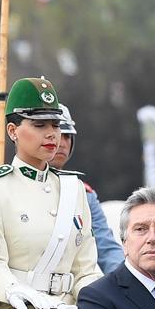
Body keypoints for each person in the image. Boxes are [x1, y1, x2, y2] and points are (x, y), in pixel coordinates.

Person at [0, 77, 100, 309]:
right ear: (12, 131)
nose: (52, 134)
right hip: (18, 308)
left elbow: (86, 269)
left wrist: (96, 304)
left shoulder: (73, 189)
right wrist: (13, 290)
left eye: (56, 125)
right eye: (39, 125)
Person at [50, 103, 124, 274]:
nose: (62, 143)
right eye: (58, 134)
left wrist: (126, 283)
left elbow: (106, 247)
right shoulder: (3, 186)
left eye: (67, 136)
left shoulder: (83, 193)